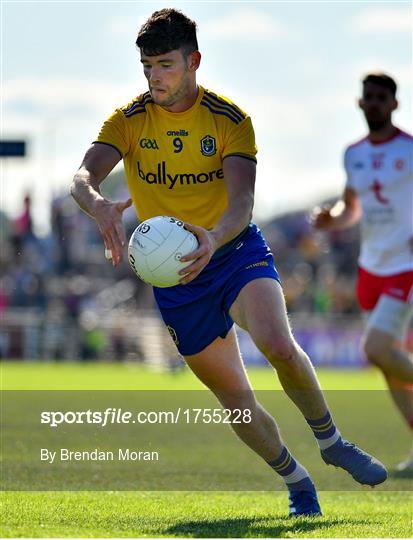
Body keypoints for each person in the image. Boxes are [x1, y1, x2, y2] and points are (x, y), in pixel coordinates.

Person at [71, 9, 387, 516]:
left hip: (233, 250)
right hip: (175, 280)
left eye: (166, 64)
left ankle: (331, 442)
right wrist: (98, 203)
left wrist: (212, 238)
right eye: (147, 65)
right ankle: (297, 480)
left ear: (193, 61)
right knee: (237, 403)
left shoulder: (230, 120)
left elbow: (242, 203)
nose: (154, 76)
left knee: (279, 344)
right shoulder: (128, 120)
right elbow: (82, 176)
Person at [312, 73, 413, 472]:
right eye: (368, 97)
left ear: (394, 104)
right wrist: (331, 218)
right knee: (389, 364)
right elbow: (351, 207)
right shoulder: (352, 154)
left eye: (381, 97)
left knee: (376, 350)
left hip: (405, 267)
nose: (373, 103)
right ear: (359, 103)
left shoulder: (409, 148)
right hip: (370, 267)